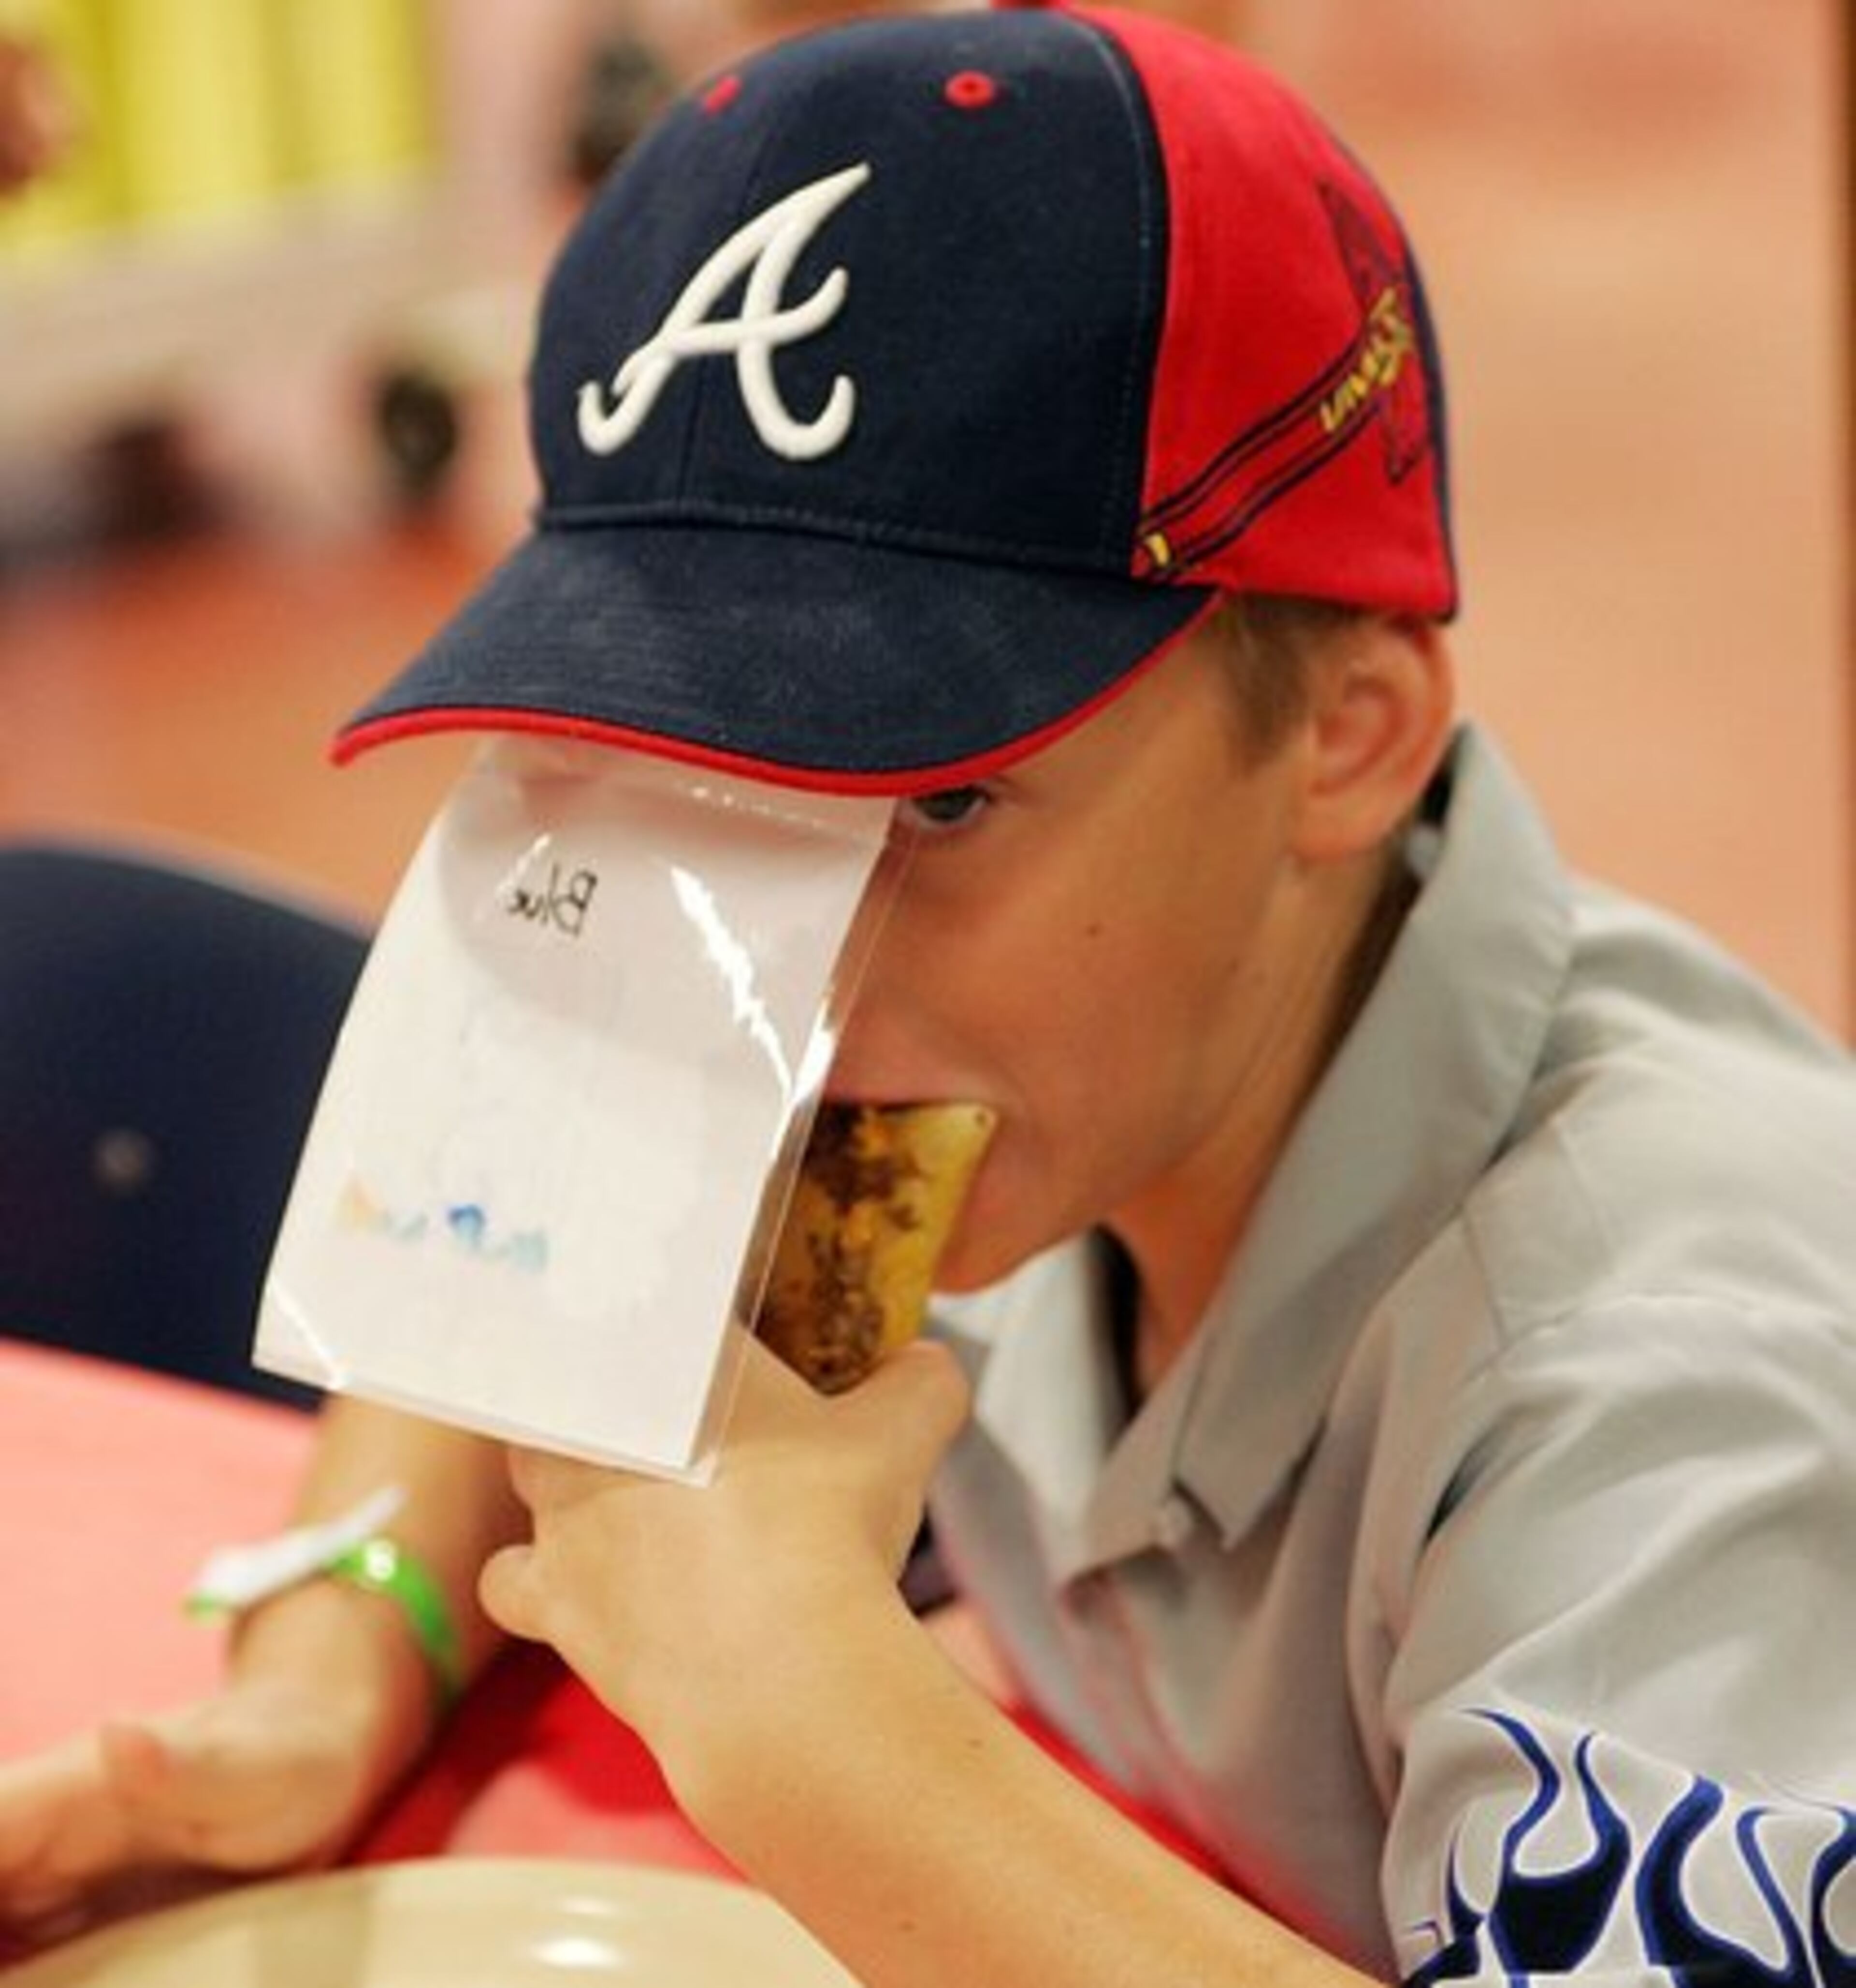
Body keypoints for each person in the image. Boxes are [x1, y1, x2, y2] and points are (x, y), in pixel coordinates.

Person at [4, 5, 1855, 1983]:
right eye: (695, 785)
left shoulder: (1663, 1385)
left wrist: (829, 1731)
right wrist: (319, 1683)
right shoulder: (984, 1031)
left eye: (942, 793)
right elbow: (513, 1284)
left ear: (1348, 735)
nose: (784, 983)